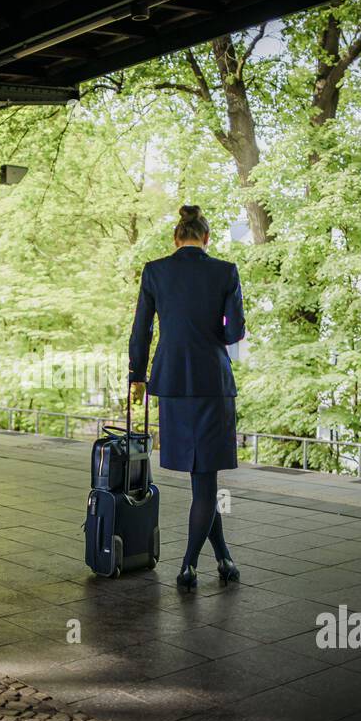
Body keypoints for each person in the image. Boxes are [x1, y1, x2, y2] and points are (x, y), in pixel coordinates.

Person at [129, 205, 245, 591]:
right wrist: (221, 321)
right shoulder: (225, 271)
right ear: (206, 239)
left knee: (203, 481)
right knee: (205, 478)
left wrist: (137, 376)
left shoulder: (155, 271)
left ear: (176, 238)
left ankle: (224, 558)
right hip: (212, 382)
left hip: (173, 382)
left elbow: (142, 329)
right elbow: (233, 333)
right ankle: (189, 565)